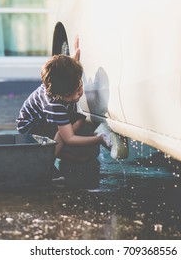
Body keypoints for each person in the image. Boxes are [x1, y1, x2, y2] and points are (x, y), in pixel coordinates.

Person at [16, 37, 110, 181]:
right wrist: (100, 139)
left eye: (79, 88)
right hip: (31, 131)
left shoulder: (66, 81)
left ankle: (55, 156)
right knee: (69, 134)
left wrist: (74, 60)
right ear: (59, 96)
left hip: (45, 123)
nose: (78, 95)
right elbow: (69, 138)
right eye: (71, 96)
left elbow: (70, 71)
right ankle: (45, 166)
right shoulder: (54, 104)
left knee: (84, 145)